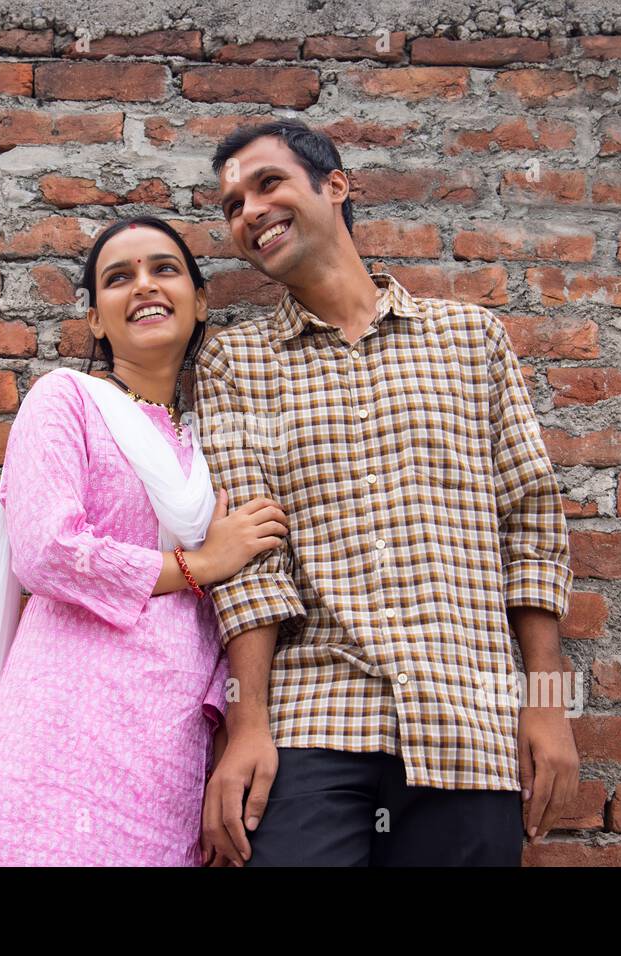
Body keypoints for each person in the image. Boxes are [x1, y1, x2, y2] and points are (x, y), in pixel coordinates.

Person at [195, 120, 579, 867]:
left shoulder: (471, 340)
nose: (249, 212)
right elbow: (251, 563)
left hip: (468, 725)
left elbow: (531, 526)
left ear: (335, 185)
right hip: (313, 723)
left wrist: (549, 704)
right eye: (232, 204)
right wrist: (247, 728)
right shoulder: (235, 362)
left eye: (267, 184)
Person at [0, 216, 289, 866]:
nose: (144, 286)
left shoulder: (215, 450)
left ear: (201, 300)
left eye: (164, 269)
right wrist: (201, 562)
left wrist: (227, 728)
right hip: (65, 731)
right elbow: (48, 551)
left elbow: (233, 609)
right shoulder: (65, 401)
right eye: (118, 278)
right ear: (96, 319)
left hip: (169, 750)